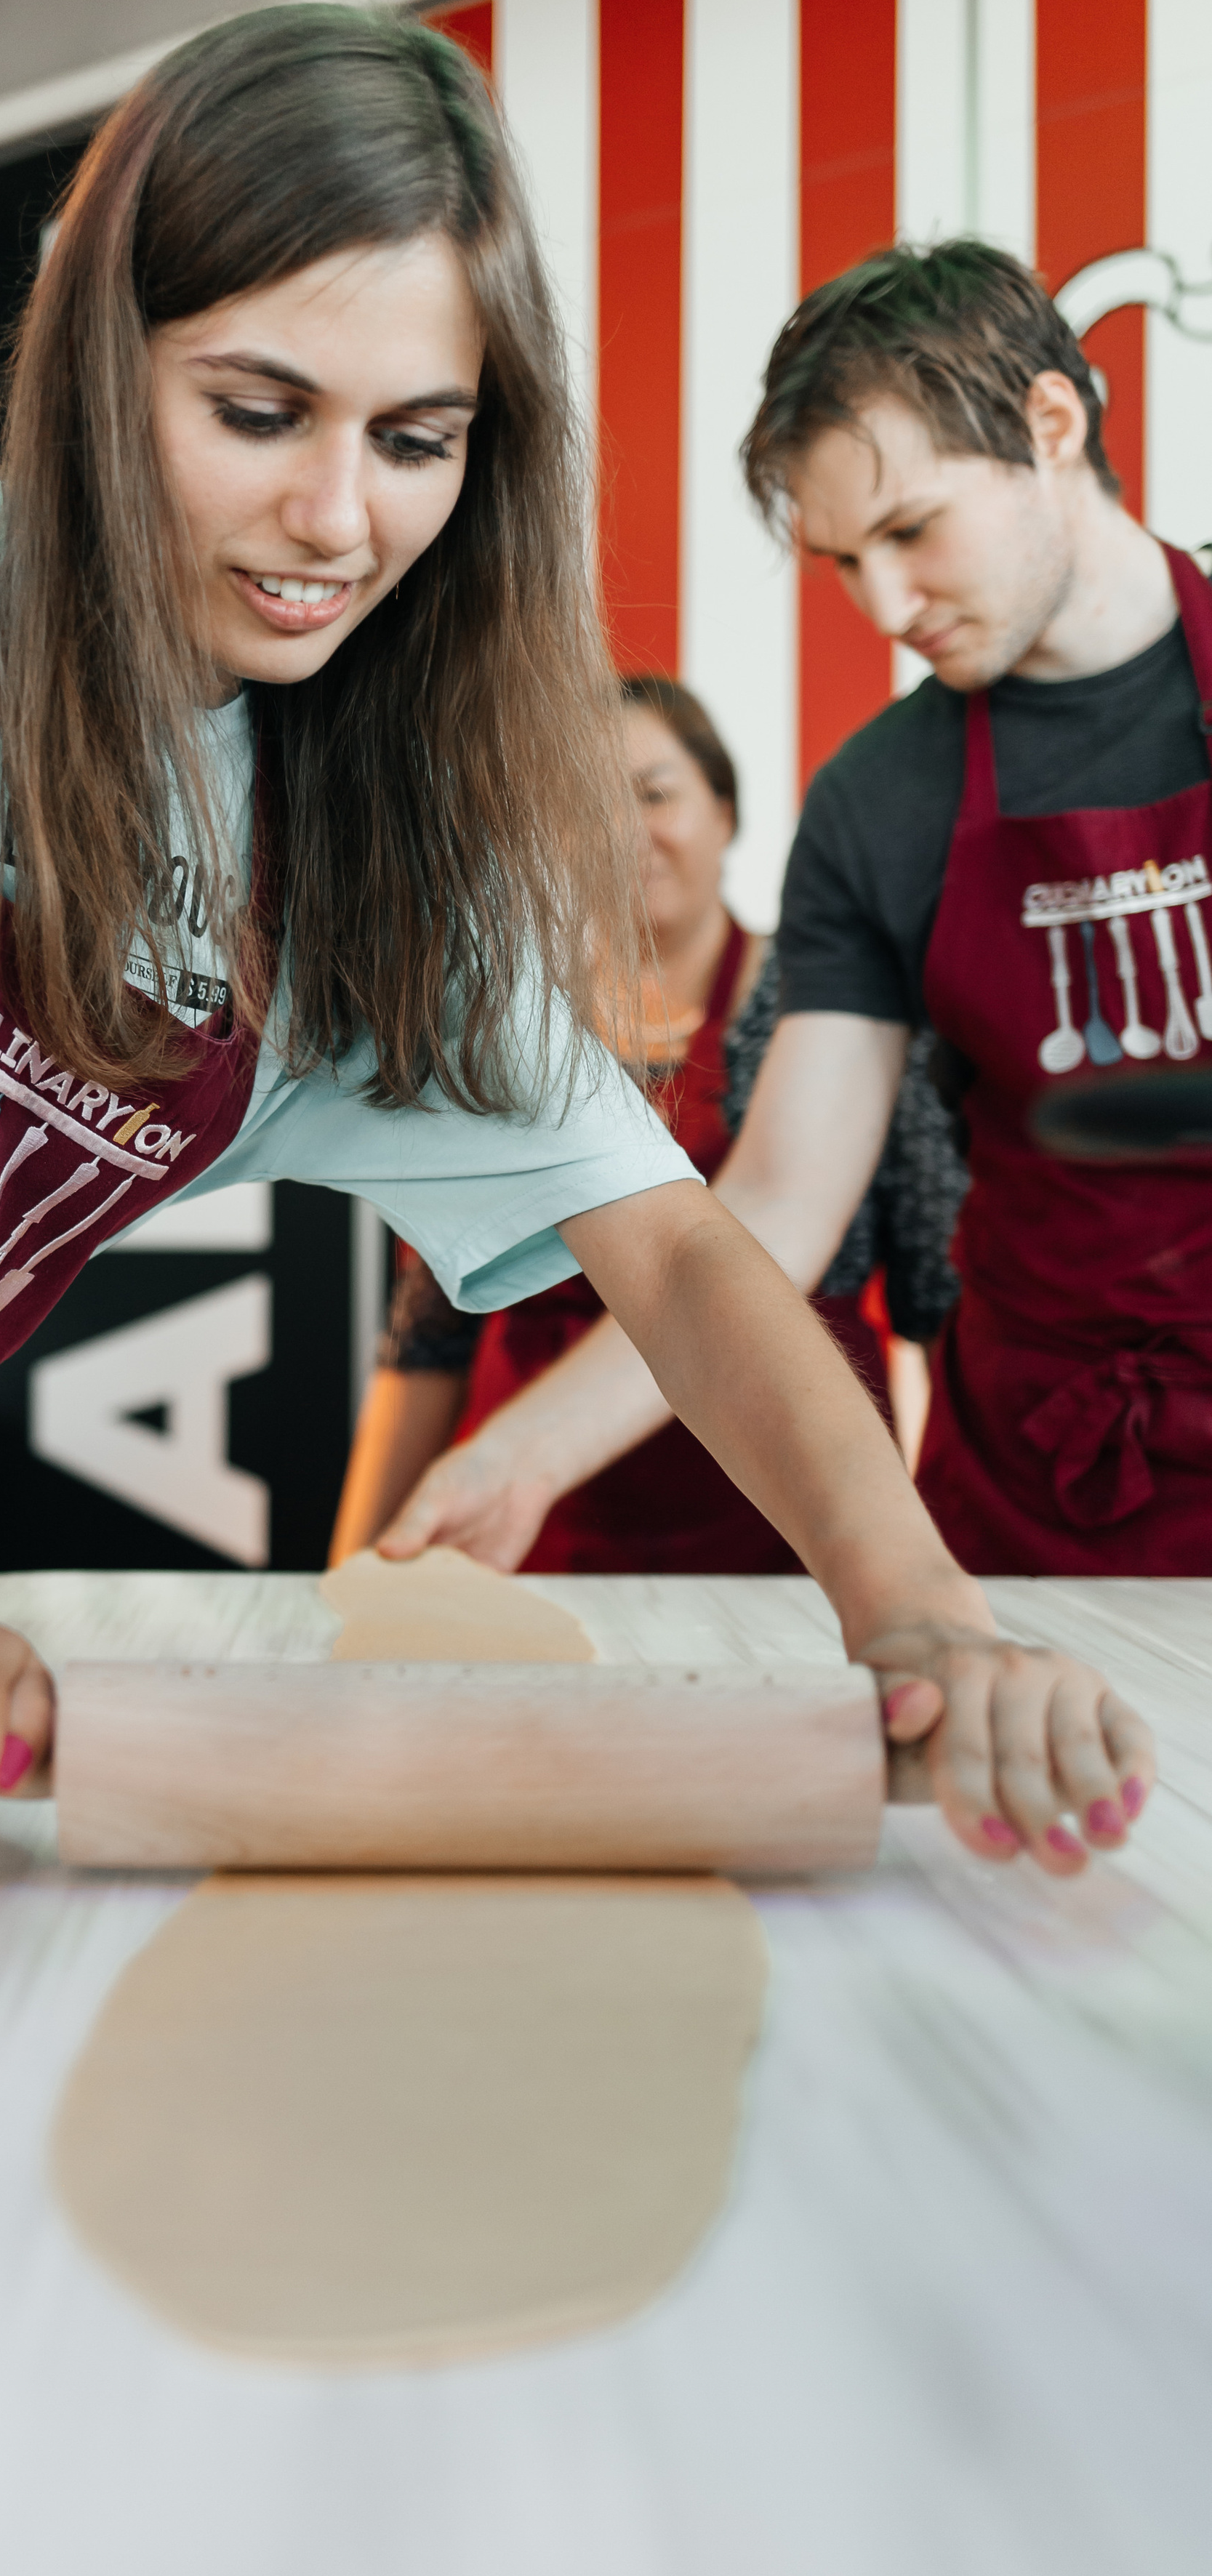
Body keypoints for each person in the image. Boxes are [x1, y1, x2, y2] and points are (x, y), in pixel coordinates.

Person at [0, 47, 1149, 2045]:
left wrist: (918, 1620)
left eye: (417, 438)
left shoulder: (368, 855)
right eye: (257, 410)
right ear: (98, 362)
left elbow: (681, 1252)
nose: (334, 517)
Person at [374, 238, 1211, 1590]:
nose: (887, 606)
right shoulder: (880, 799)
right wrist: (517, 1457)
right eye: (844, 560)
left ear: (1053, 424)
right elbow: (777, 1202)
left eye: (913, 531)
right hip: (1043, 1501)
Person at [332, 677, 958, 1573]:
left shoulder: (837, 1017)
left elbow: (933, 1306)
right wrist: (350, 1573)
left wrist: (923, 1571)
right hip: (520, 1532)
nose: (622, 831)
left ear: (725, 812)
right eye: (581, 803)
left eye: (654, 794)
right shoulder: (499, 1024)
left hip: (781, 1538)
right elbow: (429, 1334)